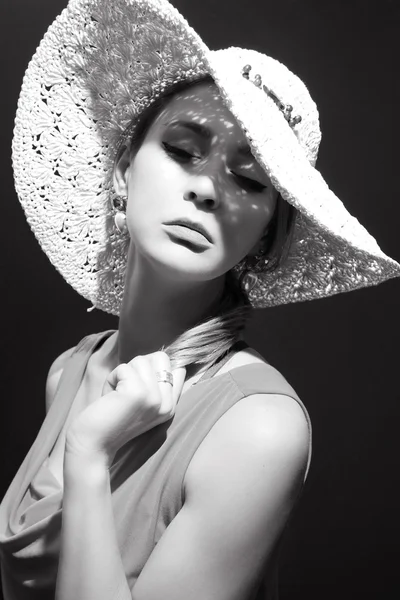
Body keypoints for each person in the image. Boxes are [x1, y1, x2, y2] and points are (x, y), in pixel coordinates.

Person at [0, 1, 399, 599]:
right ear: (122, 172)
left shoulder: (258, 427)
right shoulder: (71, 372)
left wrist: (88, 454)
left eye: (249, 179)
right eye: (184, 149)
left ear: (266, 233)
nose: (208, 188)